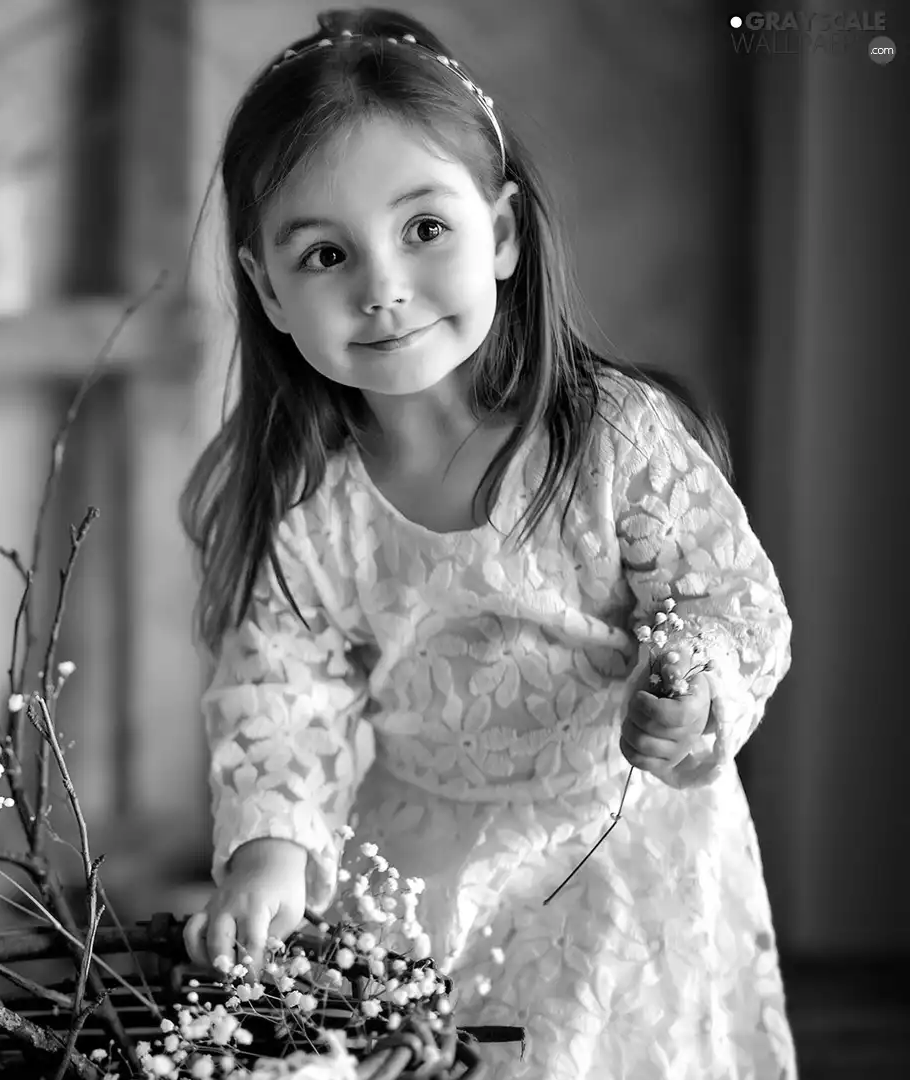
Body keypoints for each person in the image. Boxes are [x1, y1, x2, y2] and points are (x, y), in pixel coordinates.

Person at [177, 8, 796, 1077]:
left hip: (621, 848)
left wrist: (694, 692)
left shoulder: (610, 443)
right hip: (421, 856)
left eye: (425, 229)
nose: (382, 287)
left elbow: (724, 599)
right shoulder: (309, 501)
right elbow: (283, 688)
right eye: (326, 254)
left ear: (501, 233)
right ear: (270, 289)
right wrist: (272, 847)